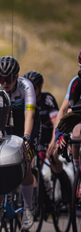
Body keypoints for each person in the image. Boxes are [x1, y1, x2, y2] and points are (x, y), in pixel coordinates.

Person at [0, 56, 41, 230]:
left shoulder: (26, 86)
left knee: (24, 164)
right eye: (1, 79)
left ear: (17, 77)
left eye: (9, 79)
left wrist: (26, 137)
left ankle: (27, 208)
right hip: (5, 125)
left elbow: (30, 115)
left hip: (25, 125)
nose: (4, 83)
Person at [23, 70, 71, 205]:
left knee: (53, 157)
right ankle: (40, 200)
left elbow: (56, 122)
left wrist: (53, 142)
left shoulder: (47, 99)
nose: (32, 90)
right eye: (29, 87)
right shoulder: (24, 100)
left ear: (40, 87)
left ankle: (65, 187)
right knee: (32, 164)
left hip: (50, 134)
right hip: (35, 135)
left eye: (35, 87)